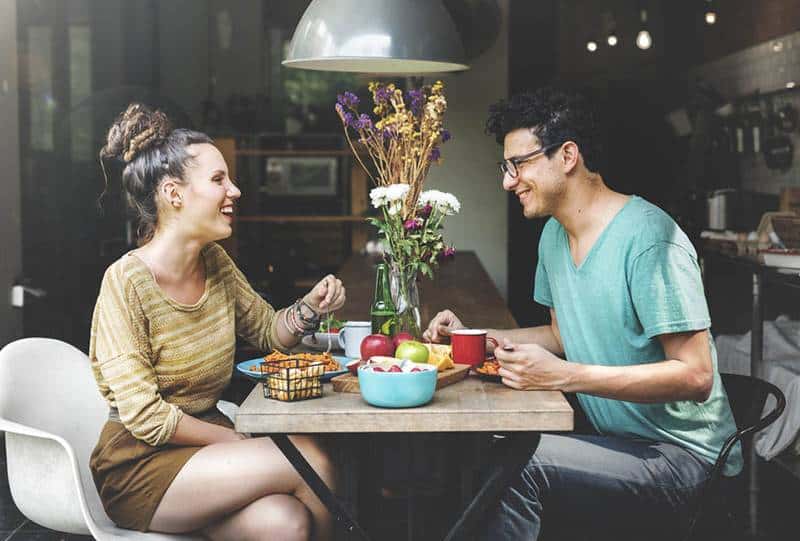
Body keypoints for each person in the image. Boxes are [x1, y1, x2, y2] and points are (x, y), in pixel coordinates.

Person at [423, 87, 741, 540]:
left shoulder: (651, 239)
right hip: (618, 444)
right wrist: (477, 336)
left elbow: (695, 376)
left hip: (682, 459)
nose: (508, 181)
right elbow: (563, 335)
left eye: (519, 164)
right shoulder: (554, 237)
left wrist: (562, 376)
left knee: (520, 465)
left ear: (568, 155)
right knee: (490, 450)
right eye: (505, 167)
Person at [90, 103, 346, 540]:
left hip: (210, 452)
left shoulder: (215, 262)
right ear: (174, 194)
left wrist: (309, 308)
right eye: (218, 180)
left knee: (287, 524)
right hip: (140, 465)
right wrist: (236, 441)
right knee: (311, 459)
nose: (235, 191)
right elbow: (146, 417)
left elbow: (268, 332)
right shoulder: (126, 283)